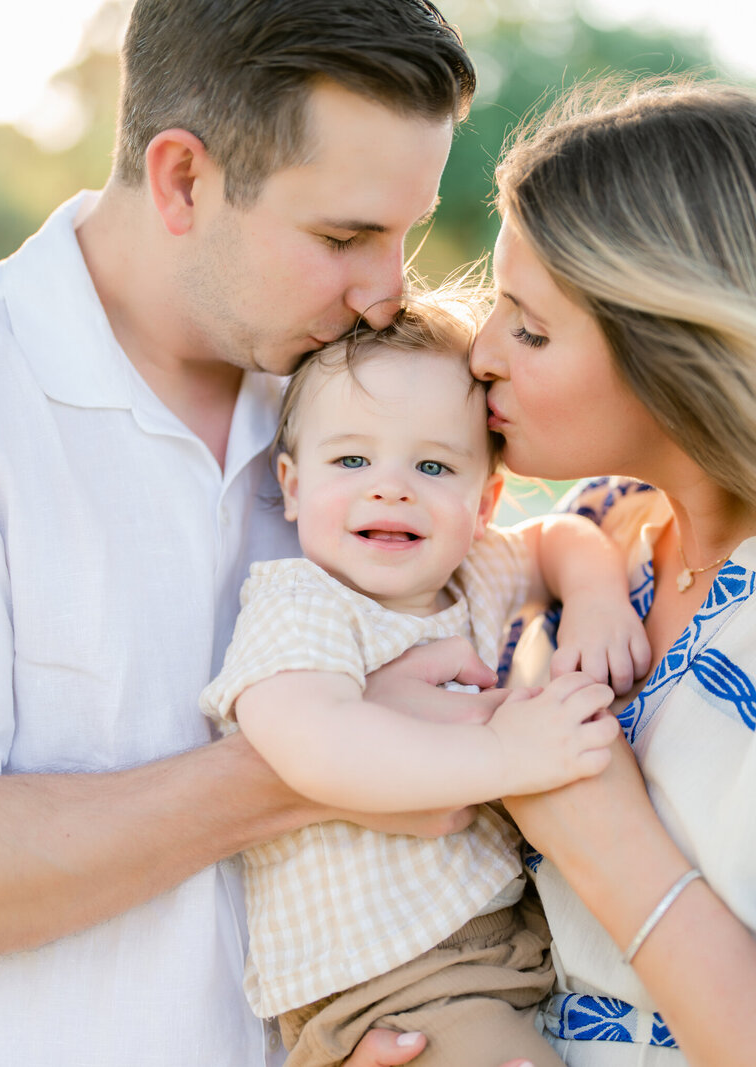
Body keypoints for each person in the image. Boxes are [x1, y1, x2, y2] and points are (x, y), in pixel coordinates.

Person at [0, 2, 495, 1064]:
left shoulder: (369, 402)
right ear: (182, 179)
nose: (386, 289)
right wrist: (328, 758)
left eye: (405, 232)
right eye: (342, 236)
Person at [199, 296, 648, 1067]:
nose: (391, 487)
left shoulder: (473, 573)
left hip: (497, 949)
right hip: (387, 981)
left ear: (484, 504)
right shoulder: (302, 602)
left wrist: (599, 599)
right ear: (293, 483)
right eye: (351, 460)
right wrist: (507, 756)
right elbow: (315, 744)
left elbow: (559, 538)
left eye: (433, 465)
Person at [458, 76, 756, 1067]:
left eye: (528, 327)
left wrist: (604, 837)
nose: (479, 353)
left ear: (672, 343)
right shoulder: (589, 542)